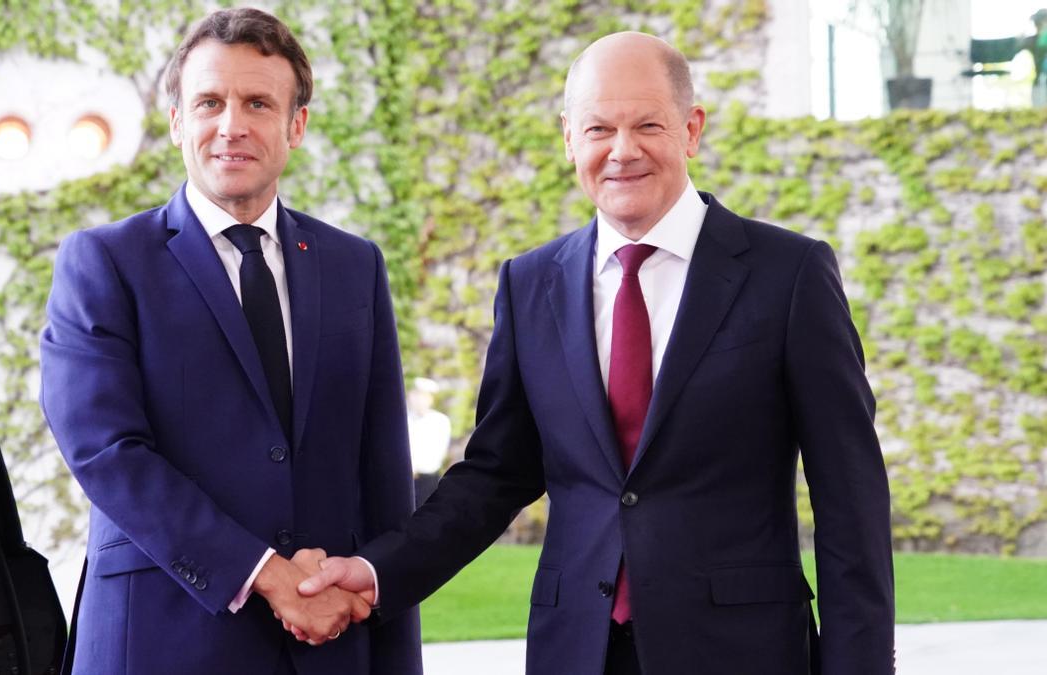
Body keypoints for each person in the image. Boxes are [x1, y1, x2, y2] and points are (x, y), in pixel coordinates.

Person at [297, 32, 895, 675]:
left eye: (648, 125)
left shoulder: (789, 274)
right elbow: (498, 473)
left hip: (740, 649)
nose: (622, 150)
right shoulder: (529, 285)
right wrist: (376, 570)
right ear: (568, 138)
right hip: (575, 648)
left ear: (691, 129)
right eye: (599, 128)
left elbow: (849, 495)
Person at [39, 7, 421, 675]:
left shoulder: (356, 266)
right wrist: (268, 574)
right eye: (209, 102)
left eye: (257, 102)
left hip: (331, 647)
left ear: (295, 124)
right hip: (162, 642)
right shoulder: (104, 263)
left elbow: (383, 475)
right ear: (178, 121)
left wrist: (393, 646)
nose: (231, 125)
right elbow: (108, 453)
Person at [406, 377, 451, 506]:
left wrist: (414, 466)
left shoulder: (439, 421)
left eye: (424, 397)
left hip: (426, 480)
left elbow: (435, 454)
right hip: (403, 478)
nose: (419, 400)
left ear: (431, 399)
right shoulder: (405, 419)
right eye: (416, 395)